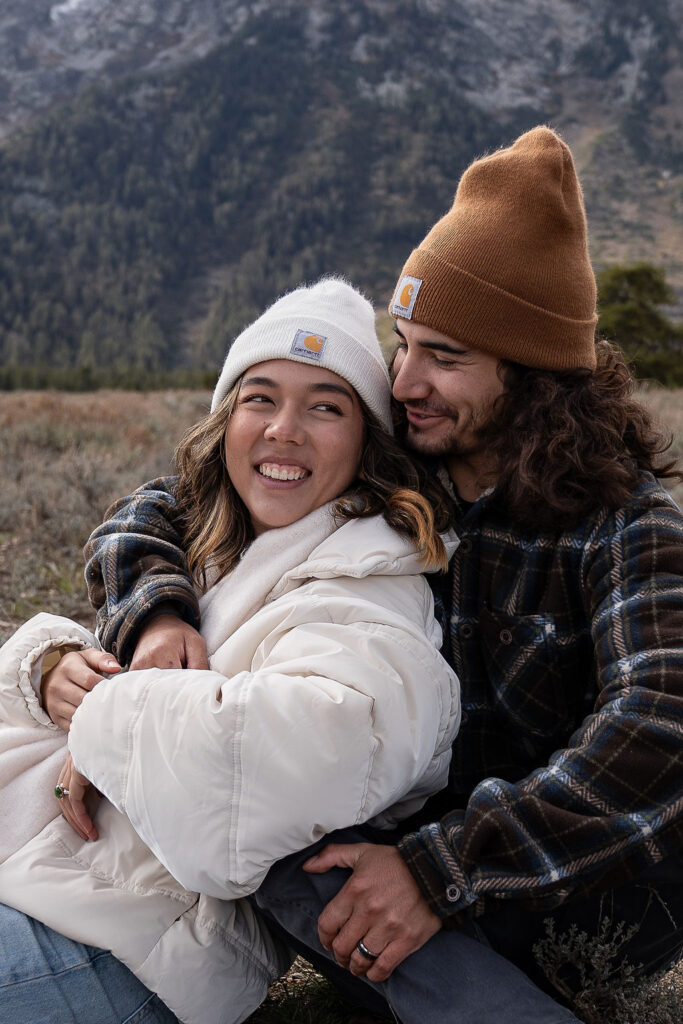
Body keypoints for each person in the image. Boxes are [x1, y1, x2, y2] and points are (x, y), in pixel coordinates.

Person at [82, 126, 683, 1023]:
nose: (404, 381)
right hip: (394, 881)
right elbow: (162, 506)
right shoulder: (408, 466)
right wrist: (155, 614)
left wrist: (441, 868)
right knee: (288, 832)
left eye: (444, 356)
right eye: (403, 345)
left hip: (574, 895)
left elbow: (658, 721)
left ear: (533, 376)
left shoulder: (626, 527)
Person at [0, 278, 462, 1024]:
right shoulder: (215, 545)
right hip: (51, 874)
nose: (284, 428)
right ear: (225, 420)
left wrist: (108, 719)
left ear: (367, 440)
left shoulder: (371, 584)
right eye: (260, 397)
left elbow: (291, 758)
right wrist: (52, 662)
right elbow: (132, 672)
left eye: (325, 405)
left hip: (133, 941)